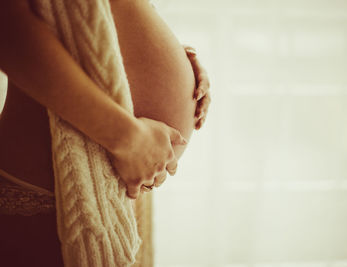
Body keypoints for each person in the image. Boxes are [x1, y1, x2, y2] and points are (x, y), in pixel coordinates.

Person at [0, 0, 211, 266]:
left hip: (108, 191)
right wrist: (128, 139)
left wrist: (178, 54)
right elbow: (8, 26)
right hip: (52, 198)